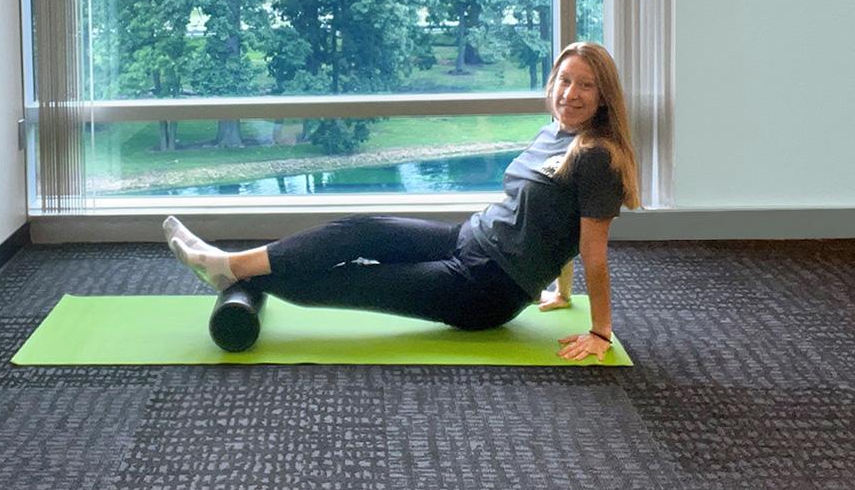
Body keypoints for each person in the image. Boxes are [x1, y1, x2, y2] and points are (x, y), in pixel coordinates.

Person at [165, 41, 640, 362]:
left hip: (487, 287)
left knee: (361, 282)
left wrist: (600, 331)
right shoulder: (555, 131)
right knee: (361, 229)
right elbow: (549, 220)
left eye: (584, 85)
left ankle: (234, 271)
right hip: (467, 239)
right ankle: (233, 265)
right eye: (563, 80)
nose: (569, 93)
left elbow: (592, 247)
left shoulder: (597, 156)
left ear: (603, 97)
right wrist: (561, 291)